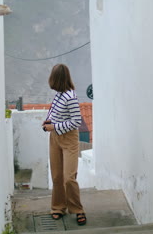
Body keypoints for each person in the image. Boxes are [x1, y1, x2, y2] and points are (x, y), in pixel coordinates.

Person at [42, 64, 87, 226]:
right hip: (55, 138)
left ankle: (78, 210)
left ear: (58, 79)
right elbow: (58, 114)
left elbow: (76, 122)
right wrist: (50, 121)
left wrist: (54, 126)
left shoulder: (70, 97)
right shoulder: (59, 95)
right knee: (57, 176)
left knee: (69, 177)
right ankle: (58, 207)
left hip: (68, 139)